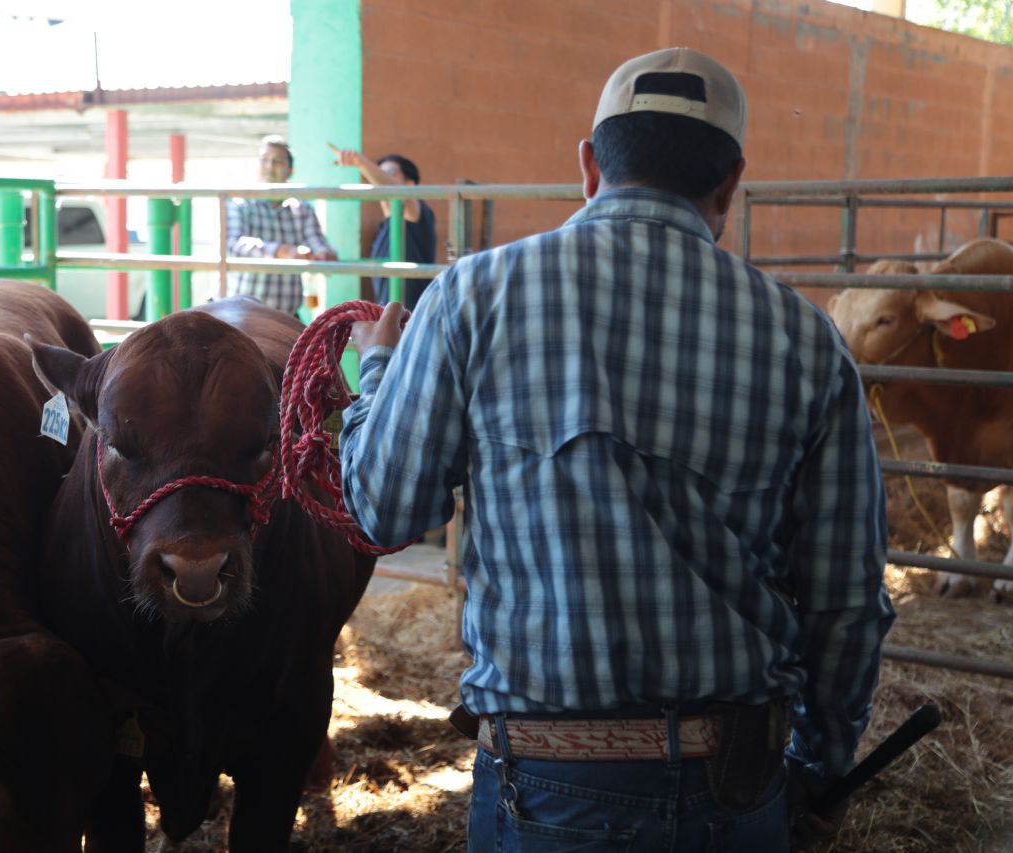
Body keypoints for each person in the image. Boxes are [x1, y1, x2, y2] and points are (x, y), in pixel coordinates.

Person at [339, 48, 894, 851]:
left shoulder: (475, 295)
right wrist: (819, 765)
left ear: (590, 164)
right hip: (732, 787)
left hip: (541, 786)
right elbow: (847, 601)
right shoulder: (806, 340)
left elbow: (383, 509)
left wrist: (377, 373)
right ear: (730, 183)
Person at [225, 135, 337, 316]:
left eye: (277, 162)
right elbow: (234, 244)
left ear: (290, 170)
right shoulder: (240, 203)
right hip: (241, 314)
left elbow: (317, 242)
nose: (269, 166)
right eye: (264, 160)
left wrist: (323, 254)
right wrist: (280, 251)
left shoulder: (301, 209)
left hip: (286, 315)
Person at [329, 145, 438, 310]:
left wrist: (361, 163)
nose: (379, 180)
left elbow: (401, 196)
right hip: (391, 320)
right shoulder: (384, 228)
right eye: (379, 173)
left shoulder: (417, 213)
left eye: (391, 173)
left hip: (415, 319)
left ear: (410, 185)